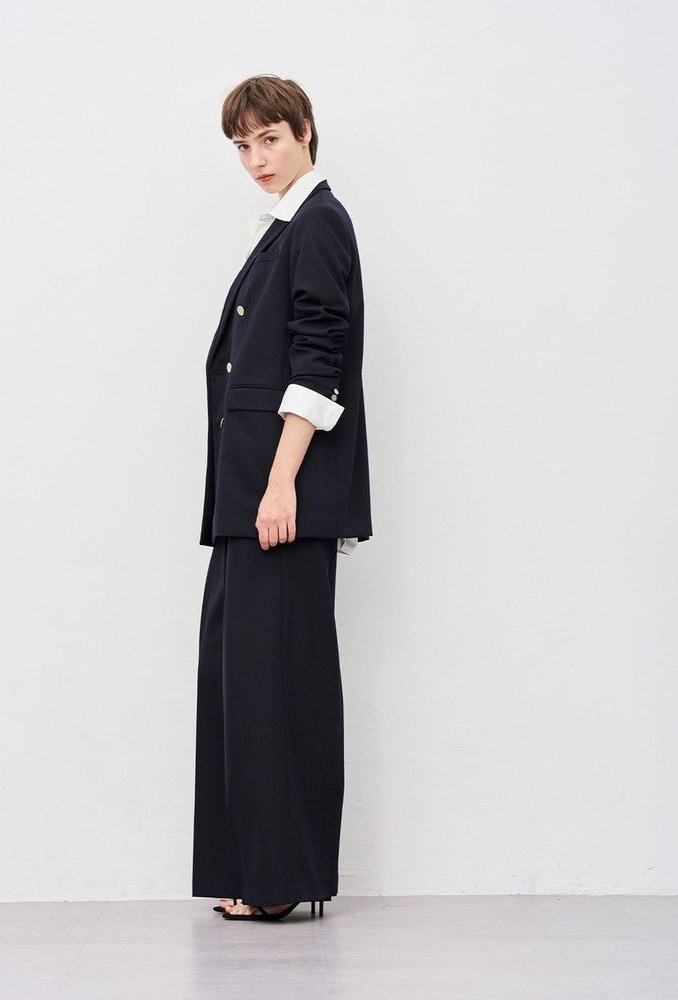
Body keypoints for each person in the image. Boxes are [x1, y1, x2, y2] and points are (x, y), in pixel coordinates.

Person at [191, 75, 373, 922]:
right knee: (244, 682)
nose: (256, 158)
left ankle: (278, 882)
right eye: (242, 145)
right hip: (248, 502)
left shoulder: (319, 223)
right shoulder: (285, 229)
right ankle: (259, 873)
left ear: (305, 132)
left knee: (276, 686)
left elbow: (318, 361)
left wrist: (278, 483)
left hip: (279, 501)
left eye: (269, 138)